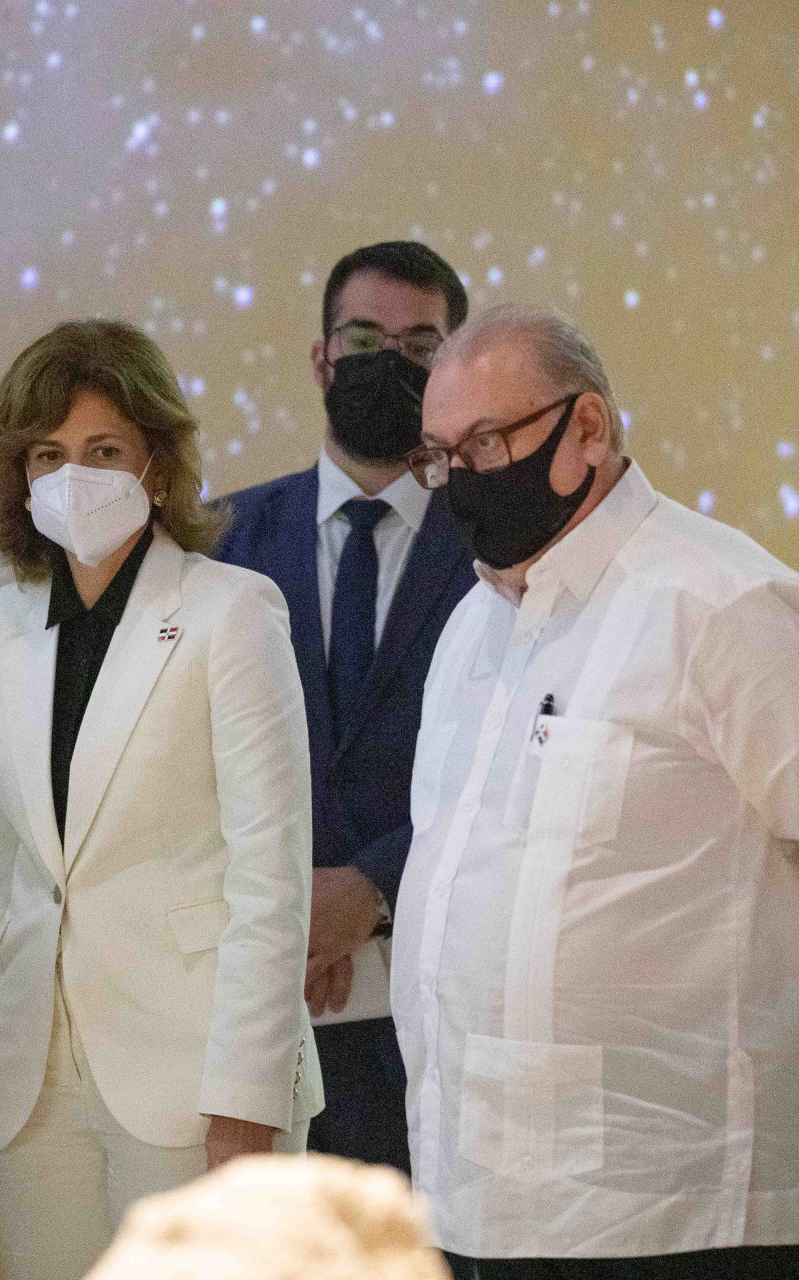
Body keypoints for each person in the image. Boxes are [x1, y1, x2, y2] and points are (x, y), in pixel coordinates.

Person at [392, 304, 799, 1278]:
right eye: (441, 455)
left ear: (587, 428)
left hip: (693, 1202)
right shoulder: (471, 627)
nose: (462, 477)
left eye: (487, 443)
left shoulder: (724, 605)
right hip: (489, 1193)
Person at [0, 319, 325, 1280]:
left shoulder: (234, 610)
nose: (74, 476)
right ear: (20, 477)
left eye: (103, 450)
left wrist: (248, 1099)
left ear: (156, 463)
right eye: (48, 455)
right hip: (29, 1081)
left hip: (197, 1073)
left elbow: (272, 878)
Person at [211, 241, 476, 1173]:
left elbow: (518, 762)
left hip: (442, 1011)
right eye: (364, 339)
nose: (387, 362)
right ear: (322, 356)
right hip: (254, 1016)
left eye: (420, 346)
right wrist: (289, 908)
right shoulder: (217, 542)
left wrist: (371, 887)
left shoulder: (498, 544)